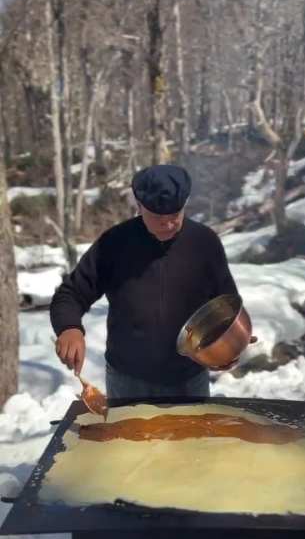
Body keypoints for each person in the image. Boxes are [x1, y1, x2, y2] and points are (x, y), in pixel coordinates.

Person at [50, 164, 239, 403]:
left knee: (194, 441)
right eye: (159, 218)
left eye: (175, 216)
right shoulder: (114, 244)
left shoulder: (204, 243)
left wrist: (229, 341)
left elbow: (226, 303)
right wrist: (69, 328)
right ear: (139, 207)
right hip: (127, 380)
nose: (168, 224)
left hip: (189, 379)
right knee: (129, 441)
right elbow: (71, 293)